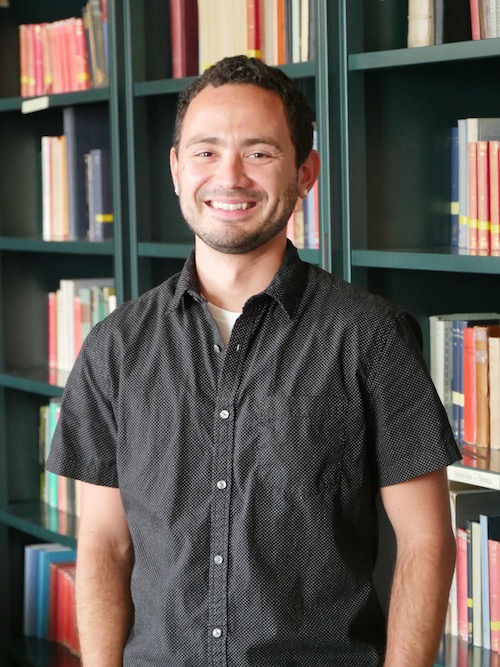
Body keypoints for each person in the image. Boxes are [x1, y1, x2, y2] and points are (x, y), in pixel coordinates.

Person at [47, 55, 461, 667]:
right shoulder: (114, 344)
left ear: (305, 173)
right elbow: (105, 545)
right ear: (175, 169)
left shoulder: (371, 335)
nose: (230, 176)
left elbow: (427, 541)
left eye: (260, 152)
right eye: (206, 151)